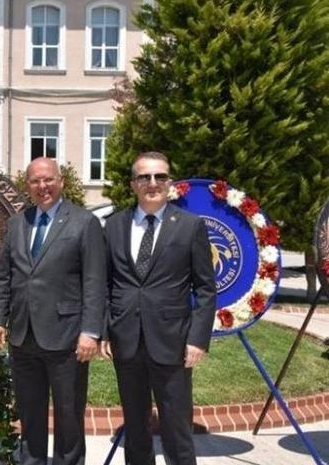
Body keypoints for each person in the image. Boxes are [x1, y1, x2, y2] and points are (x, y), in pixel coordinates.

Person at [0, 157, 106, 465]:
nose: (43, 186)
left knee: (69, 414)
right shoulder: (16, 223)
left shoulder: (84, 223)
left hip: (67, 338)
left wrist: (91, 331)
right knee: (30, 413)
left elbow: (95, 281)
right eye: (35, 181)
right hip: (23, 337)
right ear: (27, 185)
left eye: (49, 179)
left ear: (61, 181)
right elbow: (4, 277)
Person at [101, 152, 216, 465]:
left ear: (169, 182)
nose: (153, 183)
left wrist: (197, 339)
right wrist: (105, 331)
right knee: (135, 427)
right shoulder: (114, 226)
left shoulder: (190, 226)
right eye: (144, 177)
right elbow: (105, 284)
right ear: (133, 184)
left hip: (172, 342)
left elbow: (205, 288)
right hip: (126, 340)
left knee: (176, 428)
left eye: (160, 177)